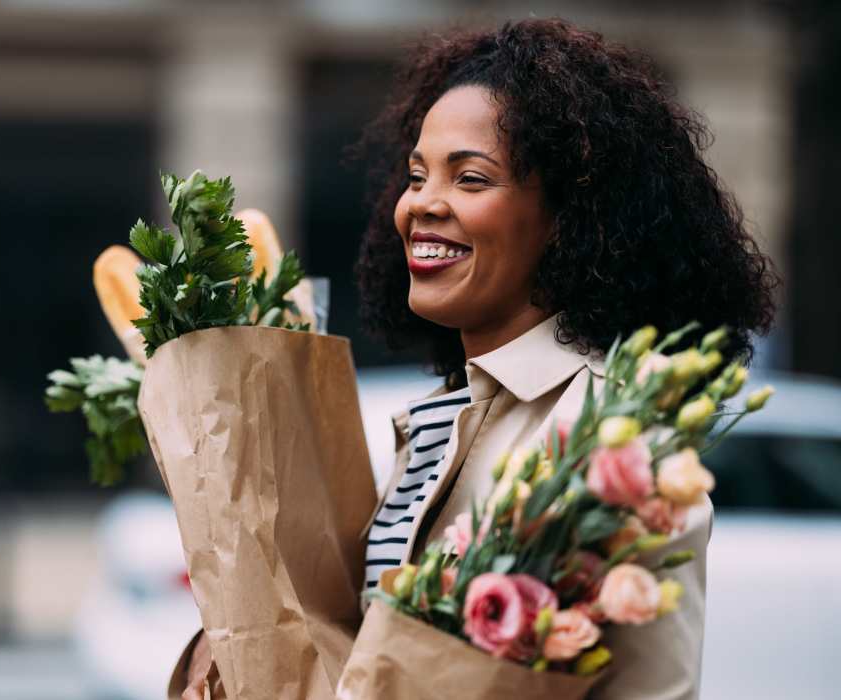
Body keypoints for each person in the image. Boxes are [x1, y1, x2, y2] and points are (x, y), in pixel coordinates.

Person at [182, 16, 777, 699]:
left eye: (470, 179)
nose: (422, 205)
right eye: (416, 175)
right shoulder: (441, 418)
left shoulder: (616, 446)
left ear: (570, 217)